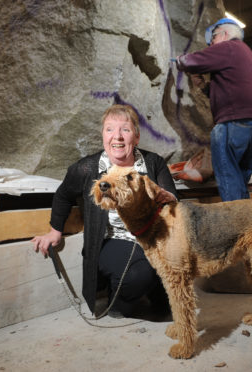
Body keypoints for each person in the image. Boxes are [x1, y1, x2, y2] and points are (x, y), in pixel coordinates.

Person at [32, 104, 178, 318]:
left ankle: (155, 296)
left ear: (136, 137)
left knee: (165, 300)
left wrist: (168, 198)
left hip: (153, 237)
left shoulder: (152, 163)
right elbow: (63, 194)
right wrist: (55, 231)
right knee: (139, 275)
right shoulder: (87, 168)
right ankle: (118, 301)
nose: (117, 136)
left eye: (125, 130)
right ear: (103, 135)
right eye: (110, 129)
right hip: (113, 240)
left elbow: (173, 199)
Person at [175, 18, 252, 201]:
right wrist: (203, 87)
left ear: (224, 34)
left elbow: (193, 60)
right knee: (240, 179)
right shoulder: (245, 54)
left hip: (233, 122)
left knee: (227, 178)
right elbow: (232, 88)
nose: (211, 44)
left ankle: (234, 226)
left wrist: (180, 60)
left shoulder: (229, 47)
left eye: (213, 39)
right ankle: (246, 223)